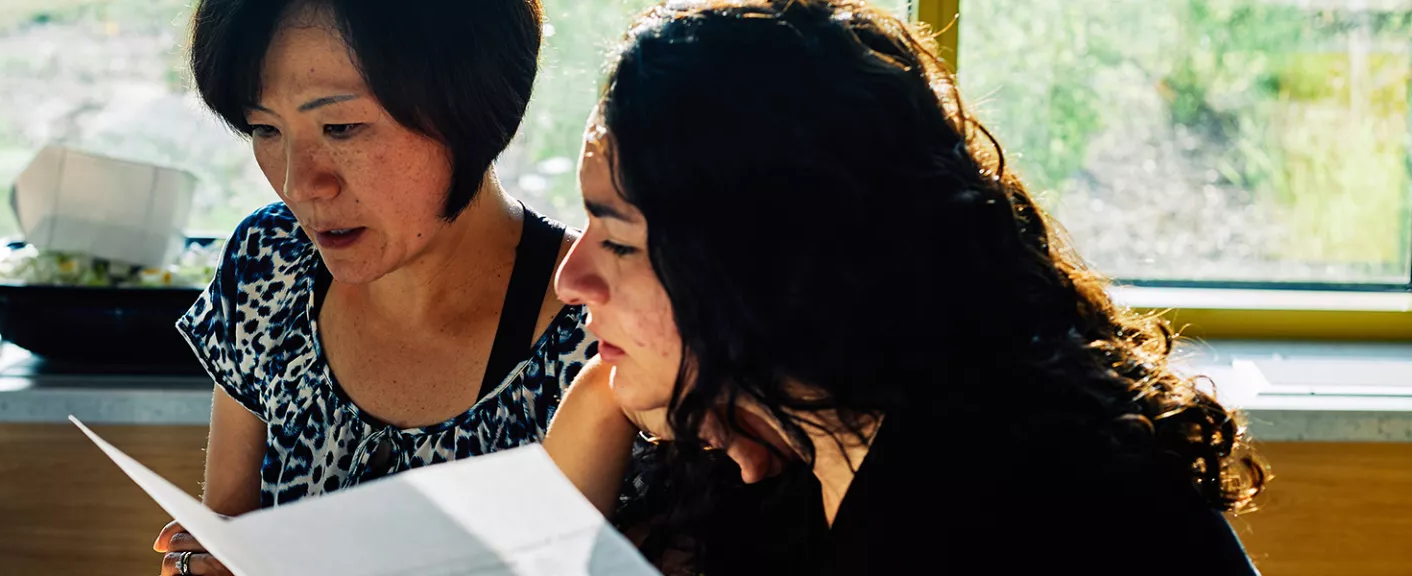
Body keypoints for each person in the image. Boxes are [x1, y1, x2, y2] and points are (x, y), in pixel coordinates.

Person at [541, 1, 1270, 574]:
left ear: (769, 267)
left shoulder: (1008, 514)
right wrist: (634, 385)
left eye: (621, 242)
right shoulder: (808, 445)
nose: (570, 280)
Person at [153, 0, 594, 574]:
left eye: (342, 127)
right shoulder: (271, 261)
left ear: (474, 106)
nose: (300, 184)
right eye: (265, 128)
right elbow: (230, 524)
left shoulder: (599, 329)